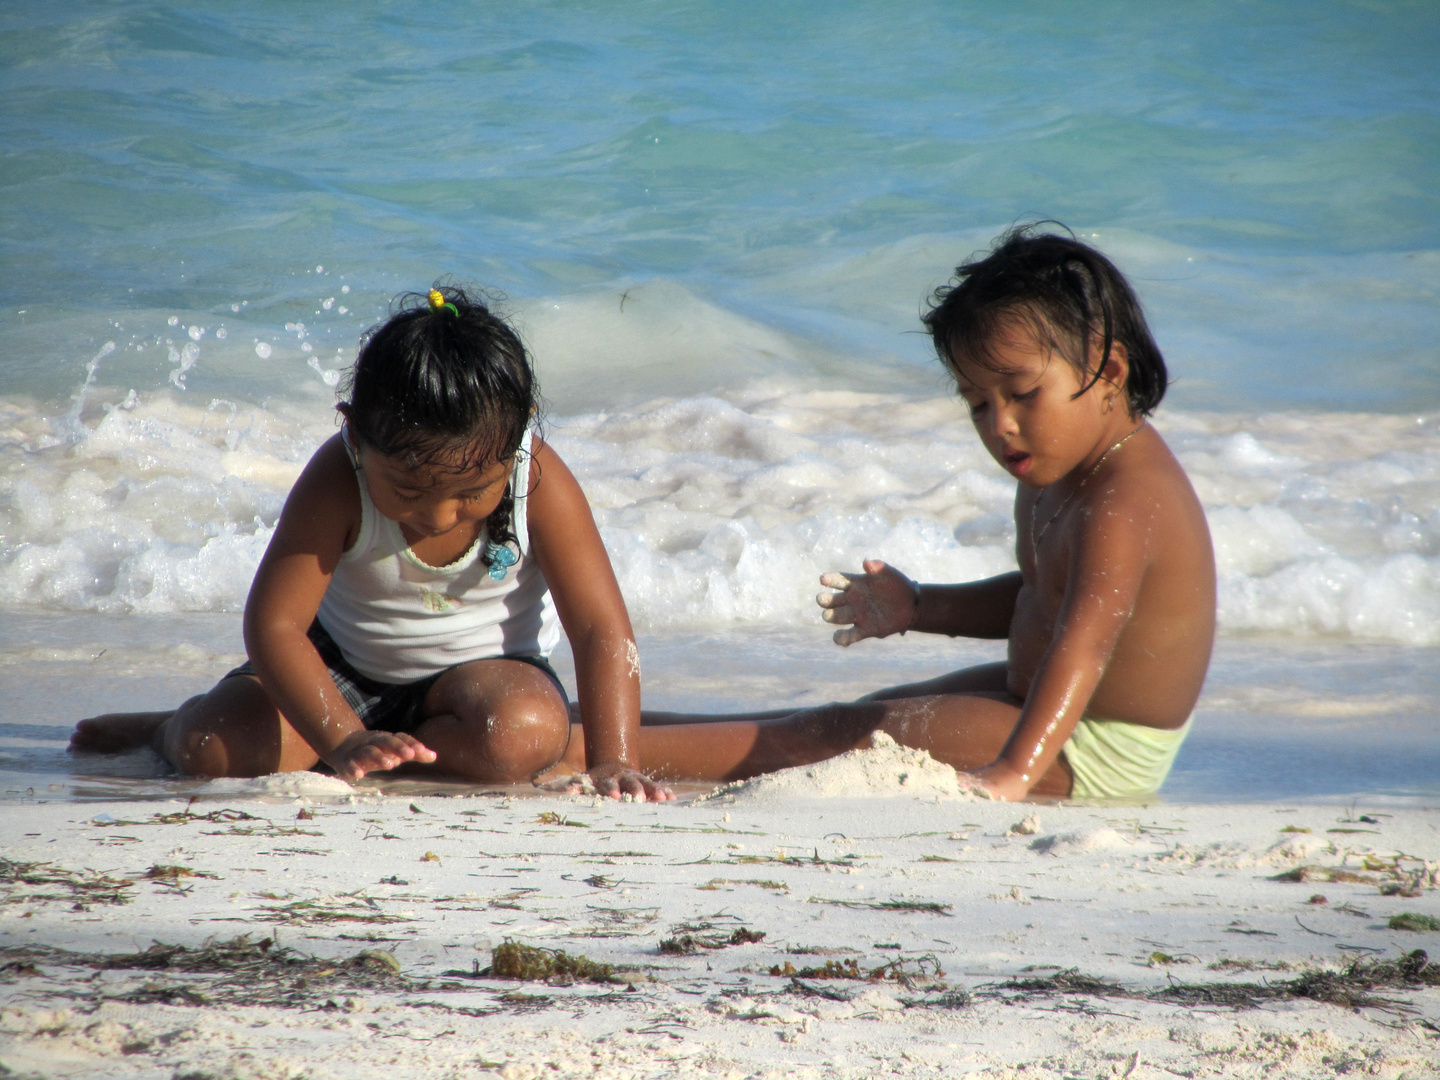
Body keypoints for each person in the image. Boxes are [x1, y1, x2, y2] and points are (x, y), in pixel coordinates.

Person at [544, 225, 1215, 801]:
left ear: (1110, 370)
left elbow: (1086, 641)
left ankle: (579, 752)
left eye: (1023, 393)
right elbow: (1043, 594)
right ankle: (591, 728)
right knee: (862, 715)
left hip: (1091, 750)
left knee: (846, 735)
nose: (1001, 425)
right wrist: (921, 607)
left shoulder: (1125, 501)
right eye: (978, 403)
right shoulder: (1056, 464)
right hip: (1047, 705)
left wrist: (1011, 773)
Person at [71, 286, 671, 802]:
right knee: (214, 746)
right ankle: (165, 727)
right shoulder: (338, 477)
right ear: (354, 435)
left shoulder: (537, 477)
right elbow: (275, 625)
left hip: (482, 683)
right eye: (409, 488)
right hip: (342, 672)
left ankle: (383, 755)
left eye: (469, 493)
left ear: (519, 437)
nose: (437, 514)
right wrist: (340, 736)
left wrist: (615, 758)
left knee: (525, 733)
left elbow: (600, 630)